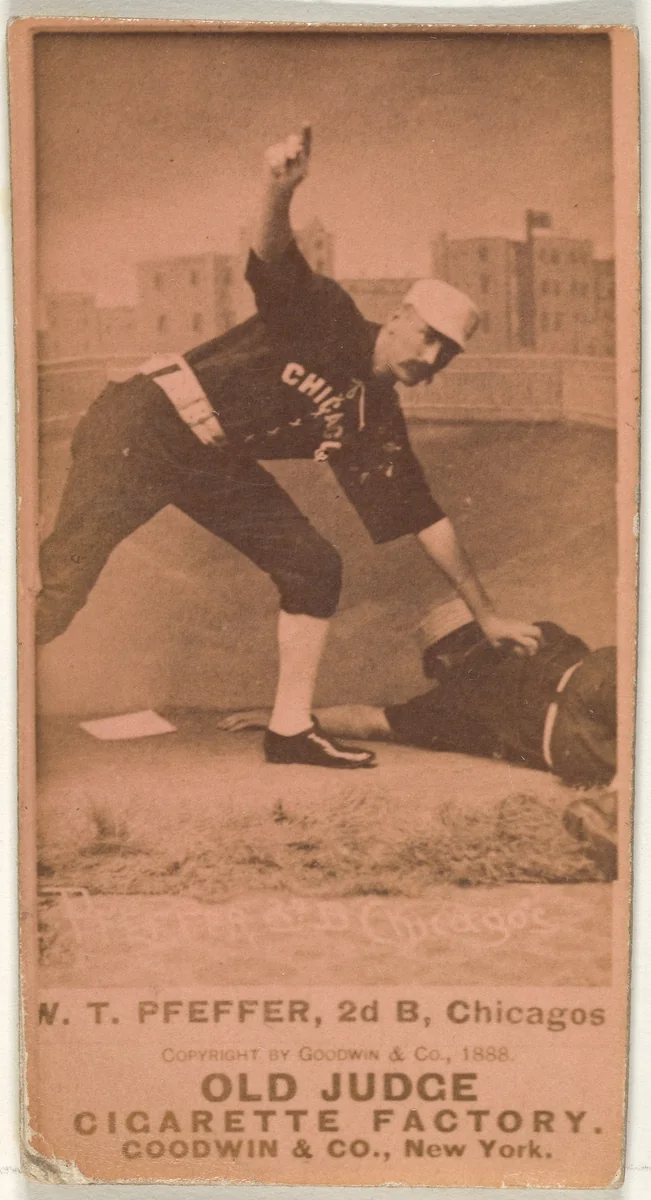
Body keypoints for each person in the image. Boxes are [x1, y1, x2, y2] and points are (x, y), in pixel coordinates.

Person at [36, 125, 541, 769]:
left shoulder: (375, 420)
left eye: (448, 352)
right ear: (397, 317)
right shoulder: (325, 314)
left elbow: (426, 518)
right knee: (57, 595)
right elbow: (272, 254)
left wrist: (487, 615)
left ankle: (291, 731)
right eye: (428, 336)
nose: (432, 355)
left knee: (313, 564)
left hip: (212, 460)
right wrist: (278, 190)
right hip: (144, 423)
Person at [218, 597, 617, 791]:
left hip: (562, 732)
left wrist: (284, 716)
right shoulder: (541, 631)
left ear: (440, 662)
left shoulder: (445, 703)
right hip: (603, 671)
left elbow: (366, 720)